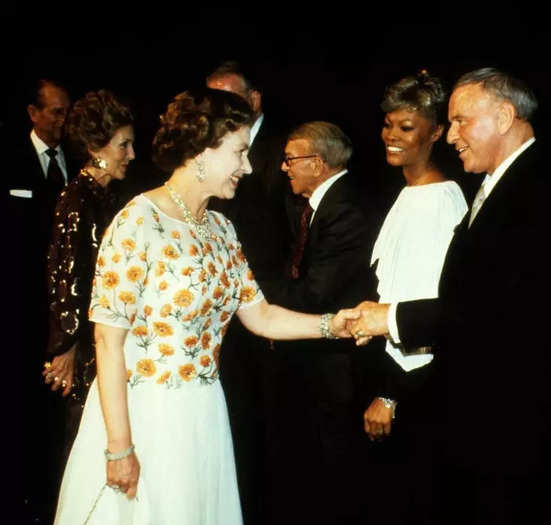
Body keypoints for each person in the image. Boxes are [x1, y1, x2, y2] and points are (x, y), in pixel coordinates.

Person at [53, 87, 358, 525]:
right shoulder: (139, 221)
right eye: (239, 152)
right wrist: (119, 446)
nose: (248, 167)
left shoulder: (221, 230)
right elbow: (107, 338)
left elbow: (262, 316)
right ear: (201, 150)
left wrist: (335, 325)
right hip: (146, 418)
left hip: (204, 414)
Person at [349, 69, 551, 524]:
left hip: (510, 427)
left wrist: (389, 320)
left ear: (505, 115)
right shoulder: (501, 183)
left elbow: (498, 313)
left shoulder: (540, 190)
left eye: (460, 122)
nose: (451, 136)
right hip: (479, 424)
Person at [361, 71, 467, 524]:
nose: (391, 135)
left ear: (436, 132)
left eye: (406, 127)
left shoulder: (440, 201)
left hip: (415, 392)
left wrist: (390, 396)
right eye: (388, 124)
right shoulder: (409, 193)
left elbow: (426, 316)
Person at [262, 121, 374, 525]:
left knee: (334, 480)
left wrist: (252, 299)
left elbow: (315, 293)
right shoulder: (315, 205)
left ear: (318, 162)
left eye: (291, 159)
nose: (284, 167)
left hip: (335, 370)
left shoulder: (346, 209)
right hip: (311, 364)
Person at [206, 61, 292, 525]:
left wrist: (326, 321)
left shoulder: (283, 149)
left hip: (261, 322)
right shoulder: (145, 219)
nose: (245, 166)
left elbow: (286, 244)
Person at [44, 90, 135, 455]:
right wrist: (64, 348)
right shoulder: (76, 201)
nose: (131, 155)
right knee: (87, 440)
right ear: (97, 148)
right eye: (124, 146)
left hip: (106, 340)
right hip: (86, 348)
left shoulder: (110, 197)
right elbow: (63, 276)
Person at [6, 78, 73, 522]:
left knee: (57, 409)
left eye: (66, 113)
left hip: (61, 312)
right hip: (16, 309)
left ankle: (52, 492)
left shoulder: (79, 162)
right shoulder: (8, 160)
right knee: (18, 406)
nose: (61, 121)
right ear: (33, 113)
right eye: (54, 113)